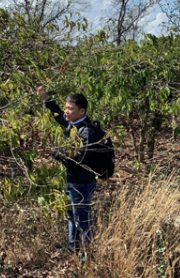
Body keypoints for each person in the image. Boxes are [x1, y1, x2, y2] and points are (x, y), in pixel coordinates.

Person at [37, 86, 113, 257]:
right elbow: (59, 117)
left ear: (82, 111)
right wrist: (47, 99)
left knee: (83, 221)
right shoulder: (73, 125)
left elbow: (80, 159)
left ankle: (86, 258)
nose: (67, 111)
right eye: (66, 107)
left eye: (70, 109)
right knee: (72, 217)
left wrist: (55, 154)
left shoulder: (86, 131)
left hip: (82, 183)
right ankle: (74, 249)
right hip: (73, 180)